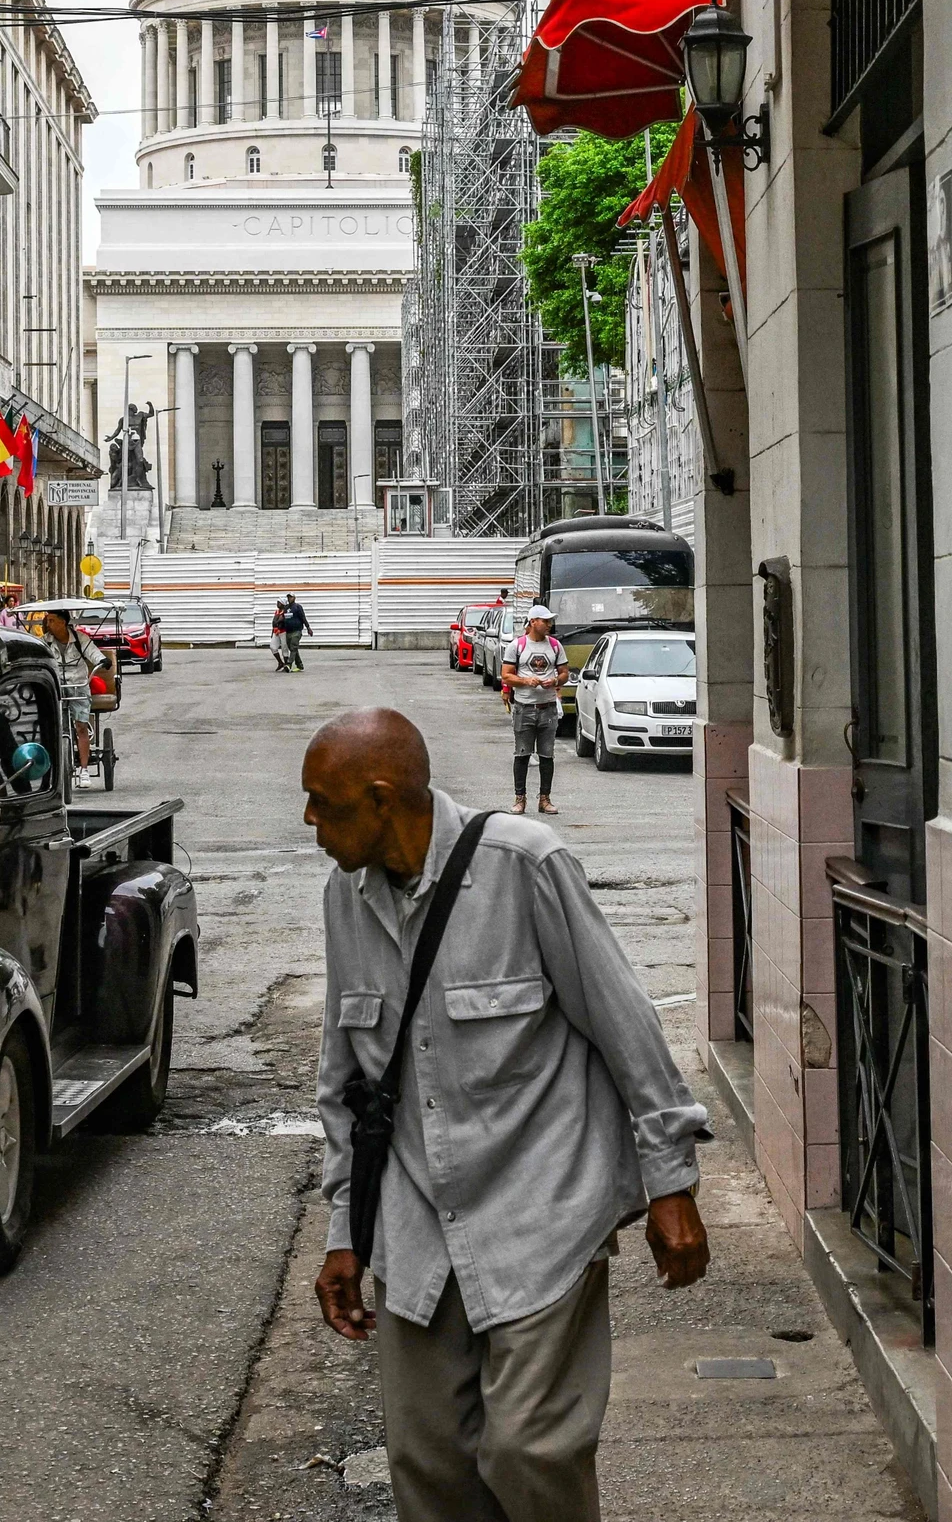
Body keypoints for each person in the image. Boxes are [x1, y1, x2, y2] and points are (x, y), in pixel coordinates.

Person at [300, 707, 710, 1522]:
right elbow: (344, 1085)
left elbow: (626, 1025)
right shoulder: (344, 898)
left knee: (530, 1450)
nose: (310, 820)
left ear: (381, 798)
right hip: (417, 1226)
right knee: (428, 1465)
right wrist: (346, 1230)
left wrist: (671, 1182)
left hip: (541, 1213)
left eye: (324, 802)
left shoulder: (525, 865)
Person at [501, 605, 566, 815]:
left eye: (550, 621)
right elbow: (506, 675)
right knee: (522, 754)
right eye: (545, 621)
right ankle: (520, 799)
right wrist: (525, 681)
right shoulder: (517, 646)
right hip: (524, 708)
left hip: (548, 708)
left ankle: (545, 799)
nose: (549, 625)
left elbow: (564, 673)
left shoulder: (555, 646)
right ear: (533, 622)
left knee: (547, 755)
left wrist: (555, 681)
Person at [37, 609, 102, 782]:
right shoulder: (44, 642)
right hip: (56, 687)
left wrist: (102, 660)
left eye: (52, 620)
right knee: (54, 727)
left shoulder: (80, 639)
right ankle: (54, 768)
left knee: (81, 727)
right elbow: (36, 656)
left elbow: (93, 653)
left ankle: (84, 770)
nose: (48, 624)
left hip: (78, 686)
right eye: (47, 621)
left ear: (63, 622)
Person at [272, 592, 312, 672]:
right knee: (292, 648)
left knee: (293, 647)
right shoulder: (286, 608)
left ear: (294, 598)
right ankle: (299, 665)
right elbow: (282, 618)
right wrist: (278, 623)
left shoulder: (297, 607)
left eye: (291, 597)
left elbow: (303, 618)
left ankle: (289, 664)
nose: (289, 599)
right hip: (288, 631)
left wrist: (308, 628)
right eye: (288, 597)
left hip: (296, 631)